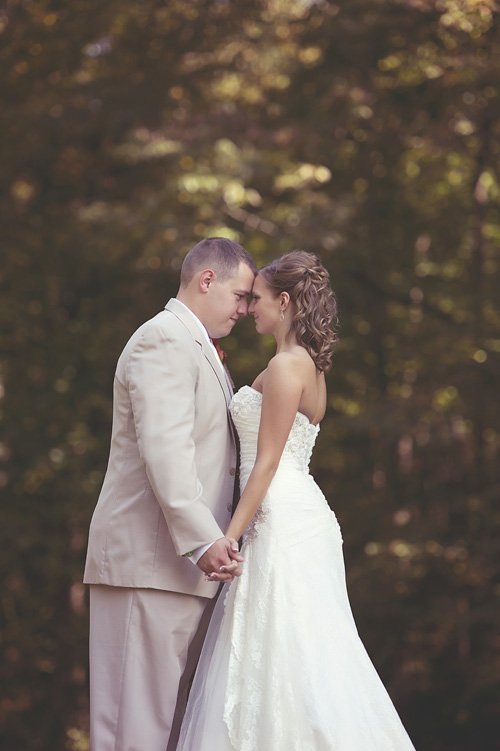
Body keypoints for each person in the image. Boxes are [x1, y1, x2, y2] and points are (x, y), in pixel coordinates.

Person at [177, 250, 416, 750]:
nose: (248, 309)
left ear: (284, 302)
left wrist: (228, 536)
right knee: (292, 654)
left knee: (291, 654)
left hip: (279, 517)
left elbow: (265, 463)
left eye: (257, 299)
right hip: (296, 511)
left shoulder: (287, 366)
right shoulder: (302, 363)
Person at [83, 237, 257, 751]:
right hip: (147, 564)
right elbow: (167, 453)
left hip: (176, 570)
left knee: (165, 729)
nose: (246, 310)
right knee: (130, 731)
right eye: (241, 296)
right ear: (207, 280)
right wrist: (205, 541)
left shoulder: (198, 348)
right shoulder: (162, 340)